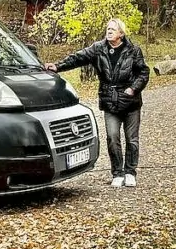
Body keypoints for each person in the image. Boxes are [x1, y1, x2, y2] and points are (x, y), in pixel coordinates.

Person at [45, 18, 149, 188]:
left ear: (121, 34)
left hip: (130, 102)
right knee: (112, 137)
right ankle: (117, 172)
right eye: (108, 29)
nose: (109, 32)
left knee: (132, 140)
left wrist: (133, 89)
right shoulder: (98, 48)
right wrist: (57, 66)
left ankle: (130, 172)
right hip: (110, 101)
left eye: (113, 29)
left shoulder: (133, 50)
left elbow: (143, 73)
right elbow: (77, 58)